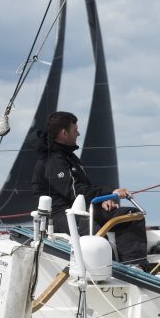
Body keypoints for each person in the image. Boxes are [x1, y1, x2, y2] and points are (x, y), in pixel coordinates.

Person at [33, 111, 149, 269]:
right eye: (75, 130)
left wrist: (104, 200)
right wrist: (111, 192)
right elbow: (74, 191)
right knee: (93, 233)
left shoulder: (69, 157)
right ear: (64, 133)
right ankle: (109, 270)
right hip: (60, 213)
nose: (78, 133)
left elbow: (85, 189)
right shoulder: (53, 161)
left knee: (131, 216)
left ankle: (135, 266)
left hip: (82, 208)